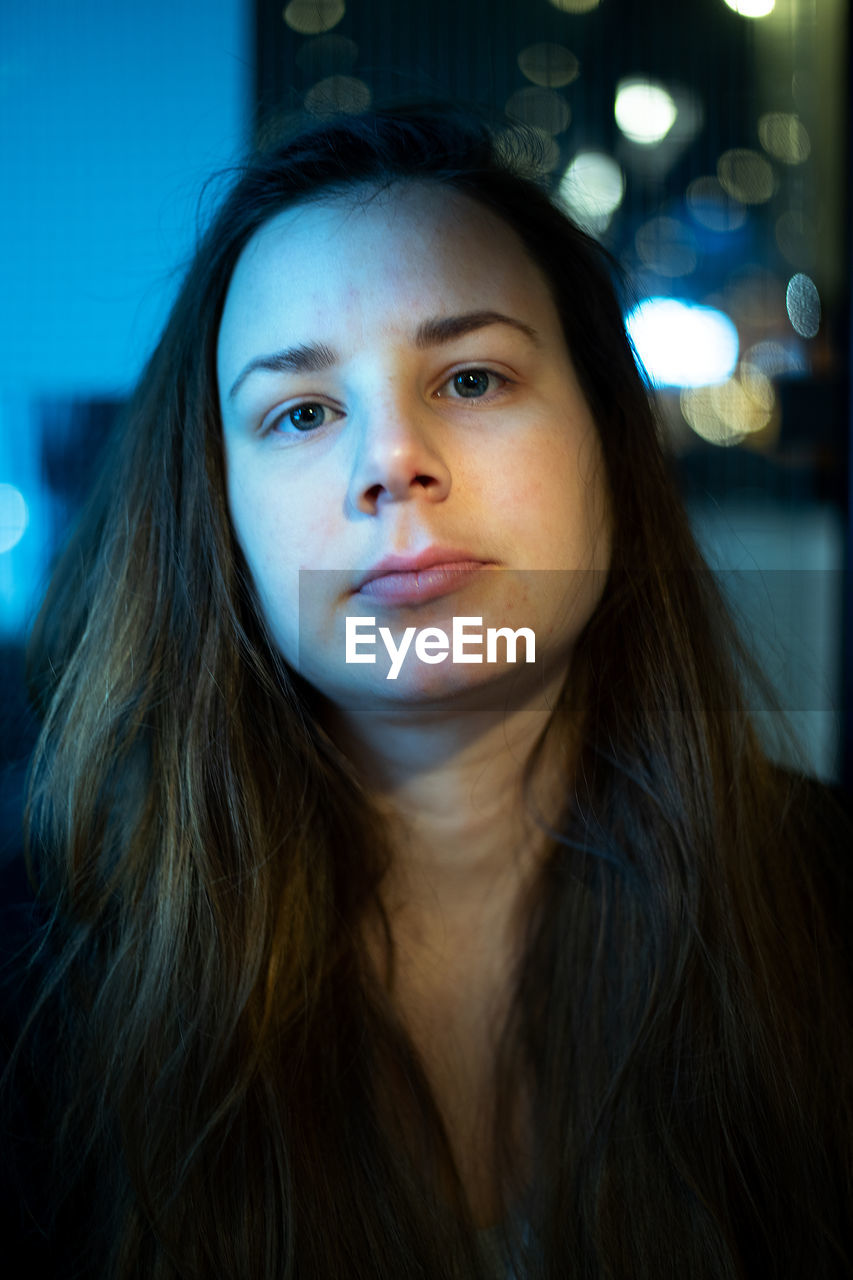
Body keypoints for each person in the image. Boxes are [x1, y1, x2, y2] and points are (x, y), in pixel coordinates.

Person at [2, 105, 851, 1279]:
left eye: (470, 375)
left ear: (609, 442)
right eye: (301, 411)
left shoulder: (827, 901)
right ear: (219, 515)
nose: (392, 458)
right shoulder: (39, 972)